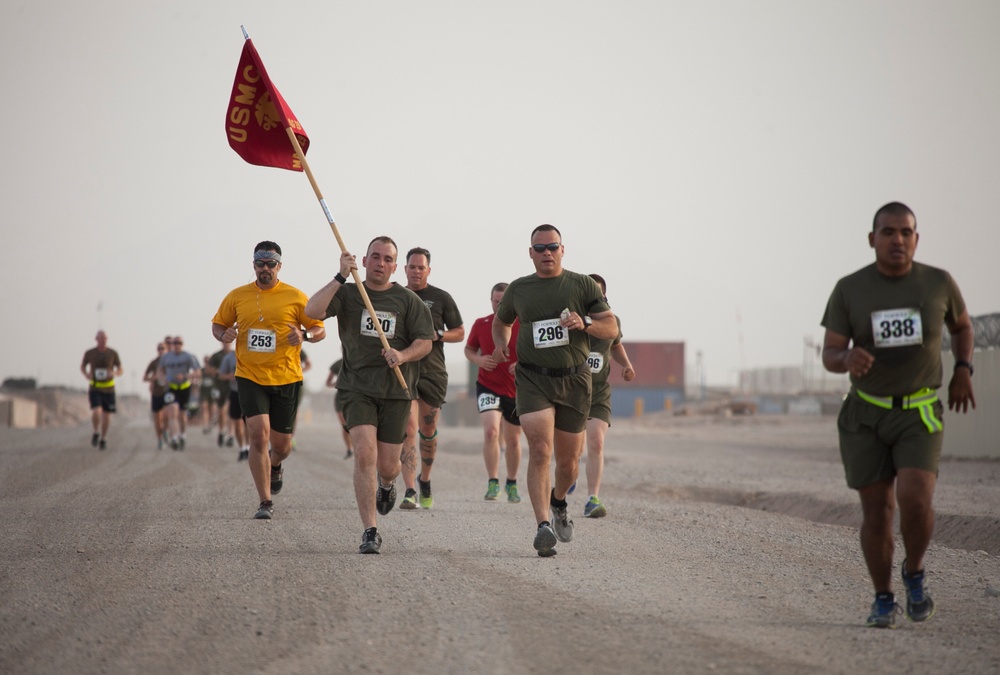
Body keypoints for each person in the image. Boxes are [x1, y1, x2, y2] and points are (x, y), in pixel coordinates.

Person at [821, 202, 976, 629]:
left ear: (916, 238)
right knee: (876, 510)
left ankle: (915, 570)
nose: (898, 240)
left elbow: (963, 327)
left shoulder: (938, 283)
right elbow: (830, 353)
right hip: (866, 415)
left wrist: (964, 368)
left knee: (915, 498)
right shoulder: (850, 289)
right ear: (872, 239)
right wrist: (847, 356)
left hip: (919, 412)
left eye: (906, 232)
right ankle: (883, 597)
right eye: (888, 232)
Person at [492, 224, 616, 557]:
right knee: (541, 449)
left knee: (567, 463)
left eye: (552, 247)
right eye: (540, 248)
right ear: (530, 253)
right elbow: (501, 320)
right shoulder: (519, 289)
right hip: (533, 380)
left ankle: (559, 500)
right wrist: (502, 344)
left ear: (563, 250)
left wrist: (585, 323)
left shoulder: (582, 284)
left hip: (575, 381)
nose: (546, 253)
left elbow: (611, 325)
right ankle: (542, 525)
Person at [305, 236, 434, 554]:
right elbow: (312, 311)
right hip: (357, 388)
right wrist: (340, 276)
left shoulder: (407, 301)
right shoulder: (349, 292)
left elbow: (425, 342)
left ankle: (388, 486)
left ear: (395, 266)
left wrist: (402, 356)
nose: (380, 263)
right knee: (364, 454)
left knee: (388, 466)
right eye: (374, 257)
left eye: (387, 259)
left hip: (396, 392)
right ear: (363, 261)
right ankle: (370, 530)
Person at [212, 241, 326, 520]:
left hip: (287, 378)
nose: (265, 269)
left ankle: (275, 466)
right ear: (253, 265)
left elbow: (319, 329)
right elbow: (218, 325)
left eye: (270, 264)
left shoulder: (296, 296)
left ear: (279, 266)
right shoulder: (237, 296)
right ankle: (265, 501)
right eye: (260, 263)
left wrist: (304, 336)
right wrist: (223, 335)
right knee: (258, 436)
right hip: (249, 376)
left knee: (282, 445)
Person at [398, 247, 464, 510]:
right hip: (404, 372)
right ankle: (410, 490)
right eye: (411, 267)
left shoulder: (440, 298)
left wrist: (439, 335)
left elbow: (459, 333)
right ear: (405, 269)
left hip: (433, 373)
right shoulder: (396, 295)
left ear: (428, 270)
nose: (416, 271)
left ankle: (424, 479)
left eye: (420, 267)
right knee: (408, 430)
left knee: (427, 431)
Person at [581, 274, 636, 518]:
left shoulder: (613, 321)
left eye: (599, 295)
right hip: (570, 390)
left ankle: (592, 498)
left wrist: (627, 365)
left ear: (604, 297)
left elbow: (615, 345)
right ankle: (565, 479)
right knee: (569, 452)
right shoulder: (570, 319)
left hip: (599, 391)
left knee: (597, 442)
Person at [464, 282, 523, 504]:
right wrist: (480, 360)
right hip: (487, 385)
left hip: (516, 390)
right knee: (491, 432)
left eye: (503, 302)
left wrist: (521, 365)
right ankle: (493, 481)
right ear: (491, 301)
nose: (499, 306)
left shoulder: (523, 324)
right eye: (496, 302)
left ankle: (512, 482)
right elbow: (469, 350)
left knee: (514, 440)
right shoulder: (481, 324)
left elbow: (535, 352)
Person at [80, 330, 123, 450]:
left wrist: (114, 373)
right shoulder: (90, 353)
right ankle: (96, 432)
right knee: (96, 411)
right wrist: (86, 374)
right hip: (95, 387)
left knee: (107, 414)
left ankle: (103, 438)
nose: (103, 341)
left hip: (109, 389)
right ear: (96, 339)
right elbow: (82, 366)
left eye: (105, 339)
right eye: (100, 338)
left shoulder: (113, 353)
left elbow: (120, 369)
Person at [157, 336, 201, 450]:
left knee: (182, 414)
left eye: (179, 343)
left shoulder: (188, 356)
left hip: (185, 388)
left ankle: (183, 435)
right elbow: (160, 370)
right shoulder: (166, 357)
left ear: (182, 344)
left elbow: (198, 372)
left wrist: (186, 376)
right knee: (173, 412)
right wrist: (162, 379)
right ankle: (174, 438)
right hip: (172, 388)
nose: (177, 345)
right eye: (175, 343)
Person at [217, 346, 249, 461]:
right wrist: (229, 376)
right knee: (237, 423)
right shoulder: (229, 358)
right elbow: (220, 375)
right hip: (235, 392)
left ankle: (249, 447)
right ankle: (242, 448)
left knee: (249, 422)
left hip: (250, 393)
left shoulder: (251, 354)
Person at [325, 356, 353, 459]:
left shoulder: (359, 360)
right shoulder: (337, 364)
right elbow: (327, 382)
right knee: (345, 425)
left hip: (357, 397)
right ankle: (349, 449)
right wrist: (336, 383)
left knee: (357, 425)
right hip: (341, 398)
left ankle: (357, 447)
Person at [143, 341, 169, 450]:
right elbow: (144, 378)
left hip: (168, 392)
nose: (161, 350)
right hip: (156, 393)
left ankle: (165, 430)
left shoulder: (170, 361)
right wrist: (154, 378)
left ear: (167, 349)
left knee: (167, 414)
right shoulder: (153, 363)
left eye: (163, 348)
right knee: (157, 417)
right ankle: (159, 439)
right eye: (159, 348)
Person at [208, 340, 234, 447]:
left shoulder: (235, 355)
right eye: (224, 342)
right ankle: (221, 431)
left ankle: (231, 435)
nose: (226, 344)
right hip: (220, 386)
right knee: (221, 410)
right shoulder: (216, 356)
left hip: (232, 386)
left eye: (228, 342)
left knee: (231, 410)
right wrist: (217, 372)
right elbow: (208, 370)